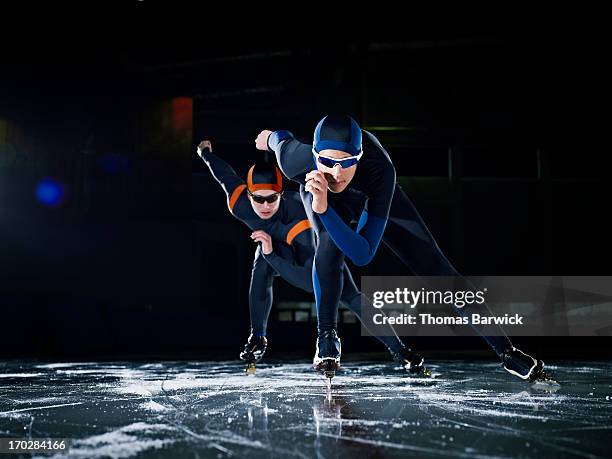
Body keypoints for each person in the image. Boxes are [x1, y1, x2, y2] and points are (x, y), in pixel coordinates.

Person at [255, 115, 552, 383]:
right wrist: (268, 139)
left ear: (359, 158)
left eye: (347, 163)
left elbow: (362, 254)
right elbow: (279, 138)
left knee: (437, 270)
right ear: (315, 155)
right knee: (328, 246)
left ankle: (507, 352)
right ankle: (327, 337)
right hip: (319, 194)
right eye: (328, 162)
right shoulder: (297, 161)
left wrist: (324, 210)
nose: (336, 172)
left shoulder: (381, 171)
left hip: (373, 199)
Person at [197, 140, 428, 375]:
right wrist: (206, 153)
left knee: (349, 295)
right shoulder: (238, 202)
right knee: (261, 258)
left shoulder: (299, 218)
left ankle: (400, 350)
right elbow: (223, 174)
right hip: (278, 243)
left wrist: (271, 255)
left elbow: (310, 283)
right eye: (258, 199)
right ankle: (257, 336)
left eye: (271, 199)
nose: (265, 206)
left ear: (281, 195)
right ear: (248, 195)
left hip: (312, 246)